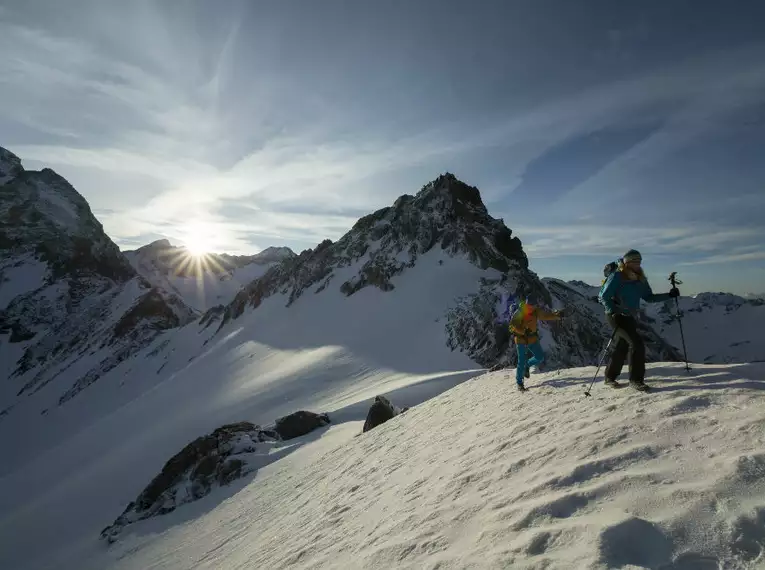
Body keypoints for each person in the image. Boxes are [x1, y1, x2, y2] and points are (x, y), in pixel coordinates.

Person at [598, 249, 679, 391]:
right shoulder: (618, 276)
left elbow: (649, 297)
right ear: (626, 262)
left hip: (629, 316)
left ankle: (610, 377)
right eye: (633, 261)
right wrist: (614, 309)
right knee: (636, 343)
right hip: (615, 316)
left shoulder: (640, 279)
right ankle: (636, 380)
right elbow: (604, 296)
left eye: (639, 261)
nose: (637, 264)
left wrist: (669, 295)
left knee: (622, 345)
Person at [508, 293, 563, 392]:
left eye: (534, 306)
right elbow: (512, 327)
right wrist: (523, 331)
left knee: (539, 357)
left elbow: (545, 316)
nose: (533, 307)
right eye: (531, 306)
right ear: (528, 304)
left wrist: (557, 316)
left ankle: (527, 366)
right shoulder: (519, 312)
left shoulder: (535, 311)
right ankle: (519, 383)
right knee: (521, 361)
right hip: (521, 340)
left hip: (532, 338)